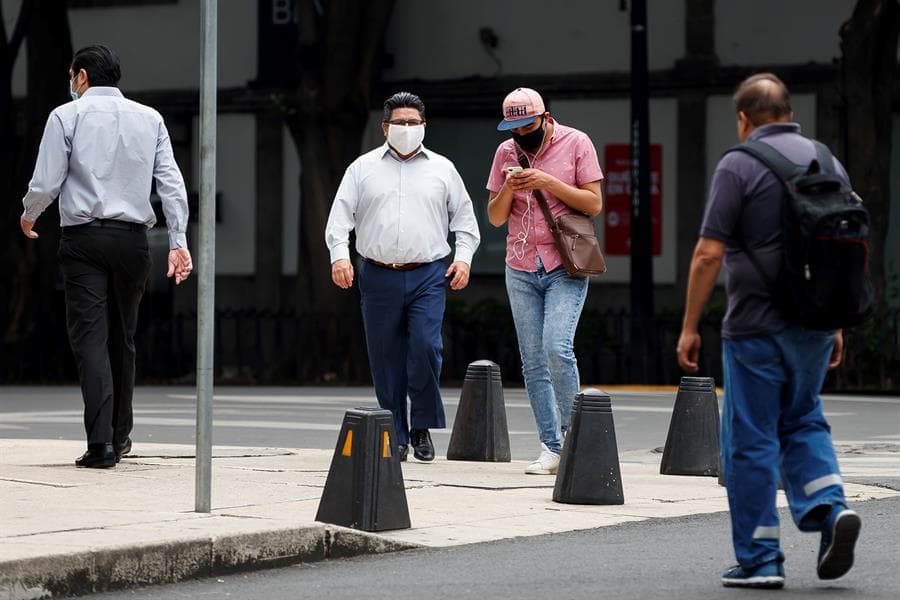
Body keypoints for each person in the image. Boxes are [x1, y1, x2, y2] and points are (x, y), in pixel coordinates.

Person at [676, 73, 861, 589]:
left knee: (751, 438)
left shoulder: (738, 164)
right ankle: (830, 510)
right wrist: (836, 323)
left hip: (755, 326)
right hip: (816, 323)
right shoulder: (827, 161)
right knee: (804, 419)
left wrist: (689, 327)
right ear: (789, 112)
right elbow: (842, 248)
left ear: (743, 119)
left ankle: (760, 558)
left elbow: (708, 253)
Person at [20, 45, 192, 469]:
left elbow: (47, 180)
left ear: (80, 76)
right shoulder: (150, 118)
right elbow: (171, 183)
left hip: (83, 240)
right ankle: (120, 436)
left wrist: (29, 214)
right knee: (123, 338)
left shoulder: (66, 116)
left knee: (90, 339)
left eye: (71, 76)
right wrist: (178, 240)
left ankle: (100, 446)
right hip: (133, 241)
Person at [325, 91, 480, 462]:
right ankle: (395, 432)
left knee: (426, 346)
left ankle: (422, 426)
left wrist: (463, 260)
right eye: (400, 123)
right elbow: (339, 220)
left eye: (413, 122)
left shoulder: (443, 169)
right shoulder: (361, 169)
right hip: (377, 274)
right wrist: (339, 257)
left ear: (424, 125)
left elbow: (465, 221)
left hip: (428, 274)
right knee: (385, 356)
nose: (407, 128)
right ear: (385, 127)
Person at [485, 88, 603, 475]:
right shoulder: (505, 152)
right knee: (533, 360)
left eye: (528, 126)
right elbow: (495, 218)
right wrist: (510, 187)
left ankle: (573, 439)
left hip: (564, 263)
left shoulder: (576, 142)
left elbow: (594, 203)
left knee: (557, 347)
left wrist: (547, 182)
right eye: (515, 128)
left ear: (545, 118)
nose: (522, 134)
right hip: (520, 265)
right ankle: (551, 447)